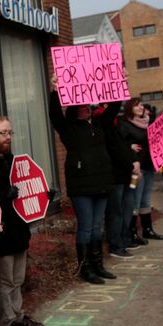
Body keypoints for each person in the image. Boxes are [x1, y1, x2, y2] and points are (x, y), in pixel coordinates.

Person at [0, 116, 46, 326]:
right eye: (3, 133)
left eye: (10, 133)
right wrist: (5, 196)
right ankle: (8, 324)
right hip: (2, 231)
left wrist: (42, 196)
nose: (8, 137)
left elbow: (23, 188)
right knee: (5, 280)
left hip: (18, 229)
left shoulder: (10, 159)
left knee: (18, 279)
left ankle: (18, 316)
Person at [48, 83, 117, 286]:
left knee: (97, 226)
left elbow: (113, 107)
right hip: (81, 186)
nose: (87, 108)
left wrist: (119, 84)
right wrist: (54, 91)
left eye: (88, 106)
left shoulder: (98, 124)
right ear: (73, 110)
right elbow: (54, 114)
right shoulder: (68, 129)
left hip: (101, 182)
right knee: (86, 227)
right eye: (82, 106)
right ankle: (85, 268)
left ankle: (98, 265)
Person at [94, 103, 141, 258]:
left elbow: (122, 147)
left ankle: (125, 239)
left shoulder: (115, 124)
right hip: (115, 175)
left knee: (127, 207)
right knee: (116, 211)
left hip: (126, 173)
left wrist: (133, 162)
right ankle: (116, 244)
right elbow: (115, 150)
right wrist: (130, 164)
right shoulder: (102, 120)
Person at [118, 98, 163, 244]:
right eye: (136, 105)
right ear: (129, 108)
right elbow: (118, 143)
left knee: (145, 199)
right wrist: (128, 146)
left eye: (141, 105)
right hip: (136, 171)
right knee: (134, 199)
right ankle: (131, 232)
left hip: (149, 167)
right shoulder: (124, 124)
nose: (140, 107)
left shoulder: (147, 123)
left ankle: (147, 229)